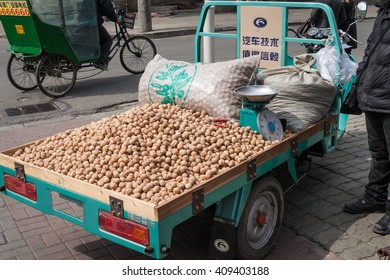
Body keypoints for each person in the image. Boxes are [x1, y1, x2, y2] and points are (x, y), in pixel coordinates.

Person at [343, 1, 390, 236]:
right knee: (379, 153)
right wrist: (359, 85)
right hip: (373, 97)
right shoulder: (384, 13)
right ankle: (375, 198)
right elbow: (371, 51)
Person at [95, 0, 119, 70]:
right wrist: (115, 19)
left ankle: (102, 56)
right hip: (94, 23)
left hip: (87, 21)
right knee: (108, 40)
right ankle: (101, 61)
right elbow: (107, 9)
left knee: (99, 40)